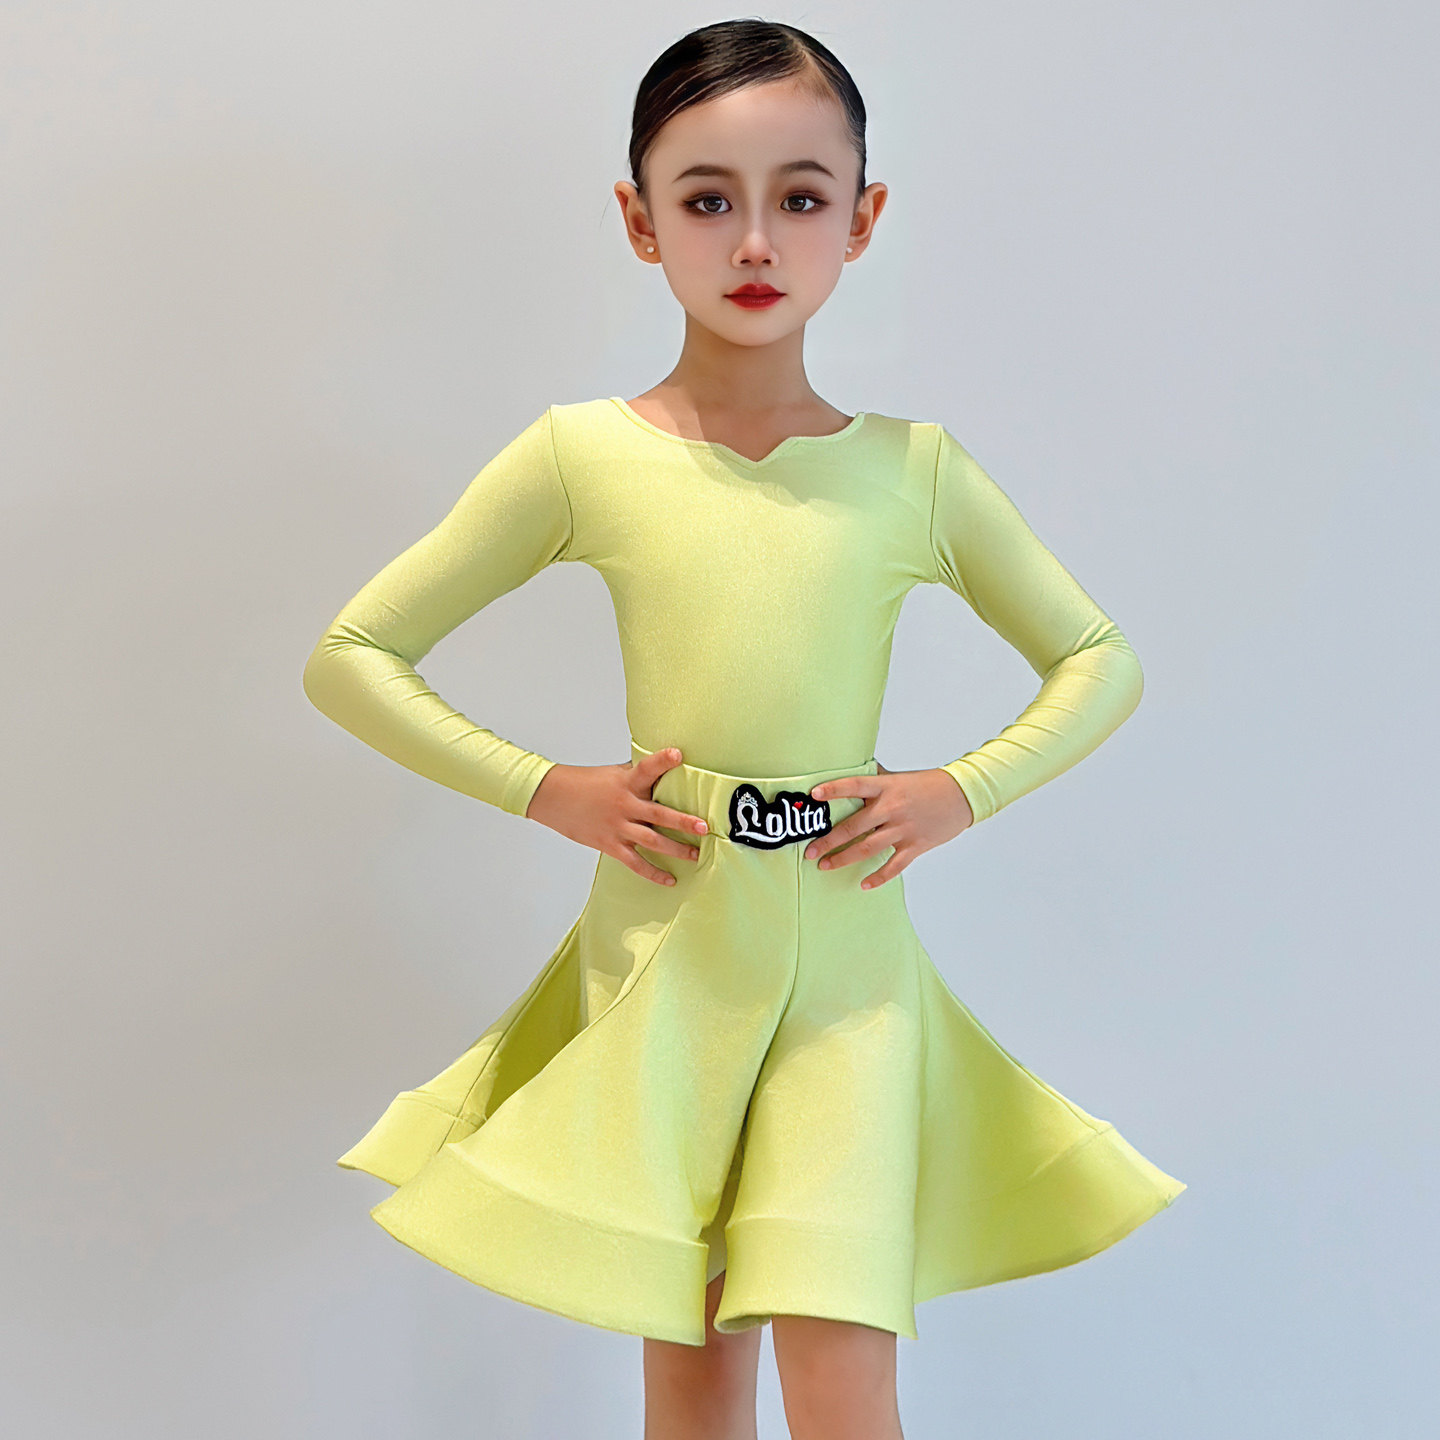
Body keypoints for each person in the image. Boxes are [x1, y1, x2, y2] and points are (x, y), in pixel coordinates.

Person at [302, 18, 1185, 1440]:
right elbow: (353, 656)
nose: (757, 240)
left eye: (801, 196)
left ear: (862, 219)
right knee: (696, 1369)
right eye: (708, 198)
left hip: (849, 967)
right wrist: (550, 790)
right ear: (639, 220)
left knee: (842, 1368)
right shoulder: (582, 456)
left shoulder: (915, 473)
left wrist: (962, 789)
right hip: (666, 953)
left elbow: (1098, 660)